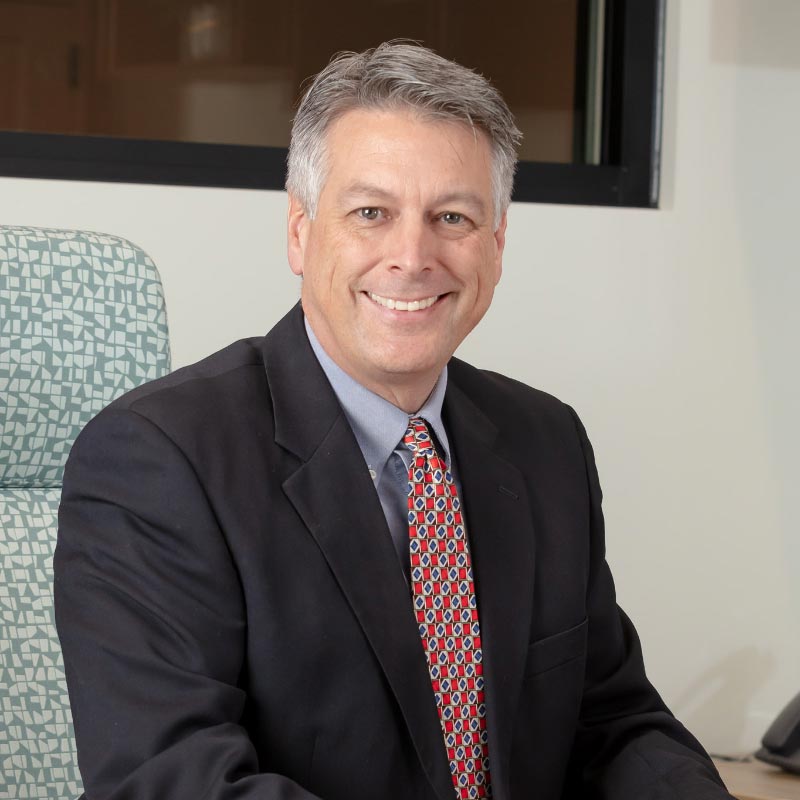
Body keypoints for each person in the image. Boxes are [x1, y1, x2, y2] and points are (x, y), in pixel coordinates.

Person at [55, 42, 734, 800]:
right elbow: (171, 777)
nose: (413, 256)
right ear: (301, 233)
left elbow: (612, 722)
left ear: (498, 246)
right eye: (371, 213)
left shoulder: (547, 443)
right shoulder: (159, 459)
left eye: (452, 216)